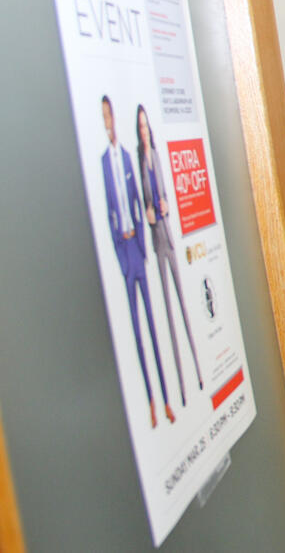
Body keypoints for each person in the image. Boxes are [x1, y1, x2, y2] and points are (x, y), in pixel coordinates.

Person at [101, 95, 174, 428]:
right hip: (125, 252)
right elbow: (110, 212)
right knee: (136, 331)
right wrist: (122, 256)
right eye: (104, 117)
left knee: (153, 329)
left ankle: (167, 400)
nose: (108, 122)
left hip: (139, 248)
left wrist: (143, 248)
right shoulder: (105, 162)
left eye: (110, 116)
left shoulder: (130, 158)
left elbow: (137, 202)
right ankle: (151, 403)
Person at [137, 104, 203, 406]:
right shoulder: (138, 161)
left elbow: (166, 195)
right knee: (168, 313)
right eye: (140, 127)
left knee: (185, 310)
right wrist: (147, 212)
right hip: (157, 241)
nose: (144, 131)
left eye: (145, 125)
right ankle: (182, 391)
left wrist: (165, 205)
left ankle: (198, 373)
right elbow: (141, 202)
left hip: (171, 240)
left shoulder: (157, 157)